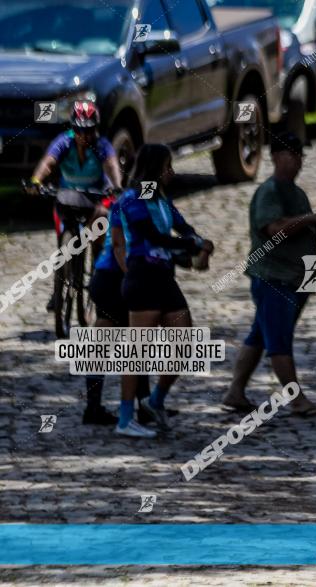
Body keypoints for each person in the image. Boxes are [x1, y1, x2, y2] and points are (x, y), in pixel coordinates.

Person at [221, 132, 316, 416]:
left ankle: (234, 392)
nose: (298, 161)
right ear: (277, 157)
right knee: (279, 341)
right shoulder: (269, 192)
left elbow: (299, 228)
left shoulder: (297, 194)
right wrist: (309, 219)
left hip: (294, 278)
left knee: (259, 336)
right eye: (293, 155)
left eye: (300, 156)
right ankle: (296, 399)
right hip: (274, 278)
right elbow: (273, 229)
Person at [117, 144, 214, 435]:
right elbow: (152, 235)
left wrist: (197, 239)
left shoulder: (160, 197)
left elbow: (183, 227)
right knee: (138, 352)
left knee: (184, 344)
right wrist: (192, 244)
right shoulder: (134, 197)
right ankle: (124, 419)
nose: (171, 172)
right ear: (155, 169)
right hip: (143, 277)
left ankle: (154, 400)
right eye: (167, 166)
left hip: (164, 278)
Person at [27, 101, 123, 310]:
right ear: (73, 128)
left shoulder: (102, 145)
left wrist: (117, 186)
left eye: (89, 130)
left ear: (95, 129)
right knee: (62, 240)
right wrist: (36, 181)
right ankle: (58, 290)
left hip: (96, 195)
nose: (84, 135)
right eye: (79, 130)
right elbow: (48, 162)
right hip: (68, 195)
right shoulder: (63, 141)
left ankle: (99, 275)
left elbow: (112, 165)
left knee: (100, 222)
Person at [81, 196, 153, 428]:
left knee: (105, 342)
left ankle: (94, 408)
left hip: (103, 276)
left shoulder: (122, 200)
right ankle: (143, 407)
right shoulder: (138, 202)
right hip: (116, 278)